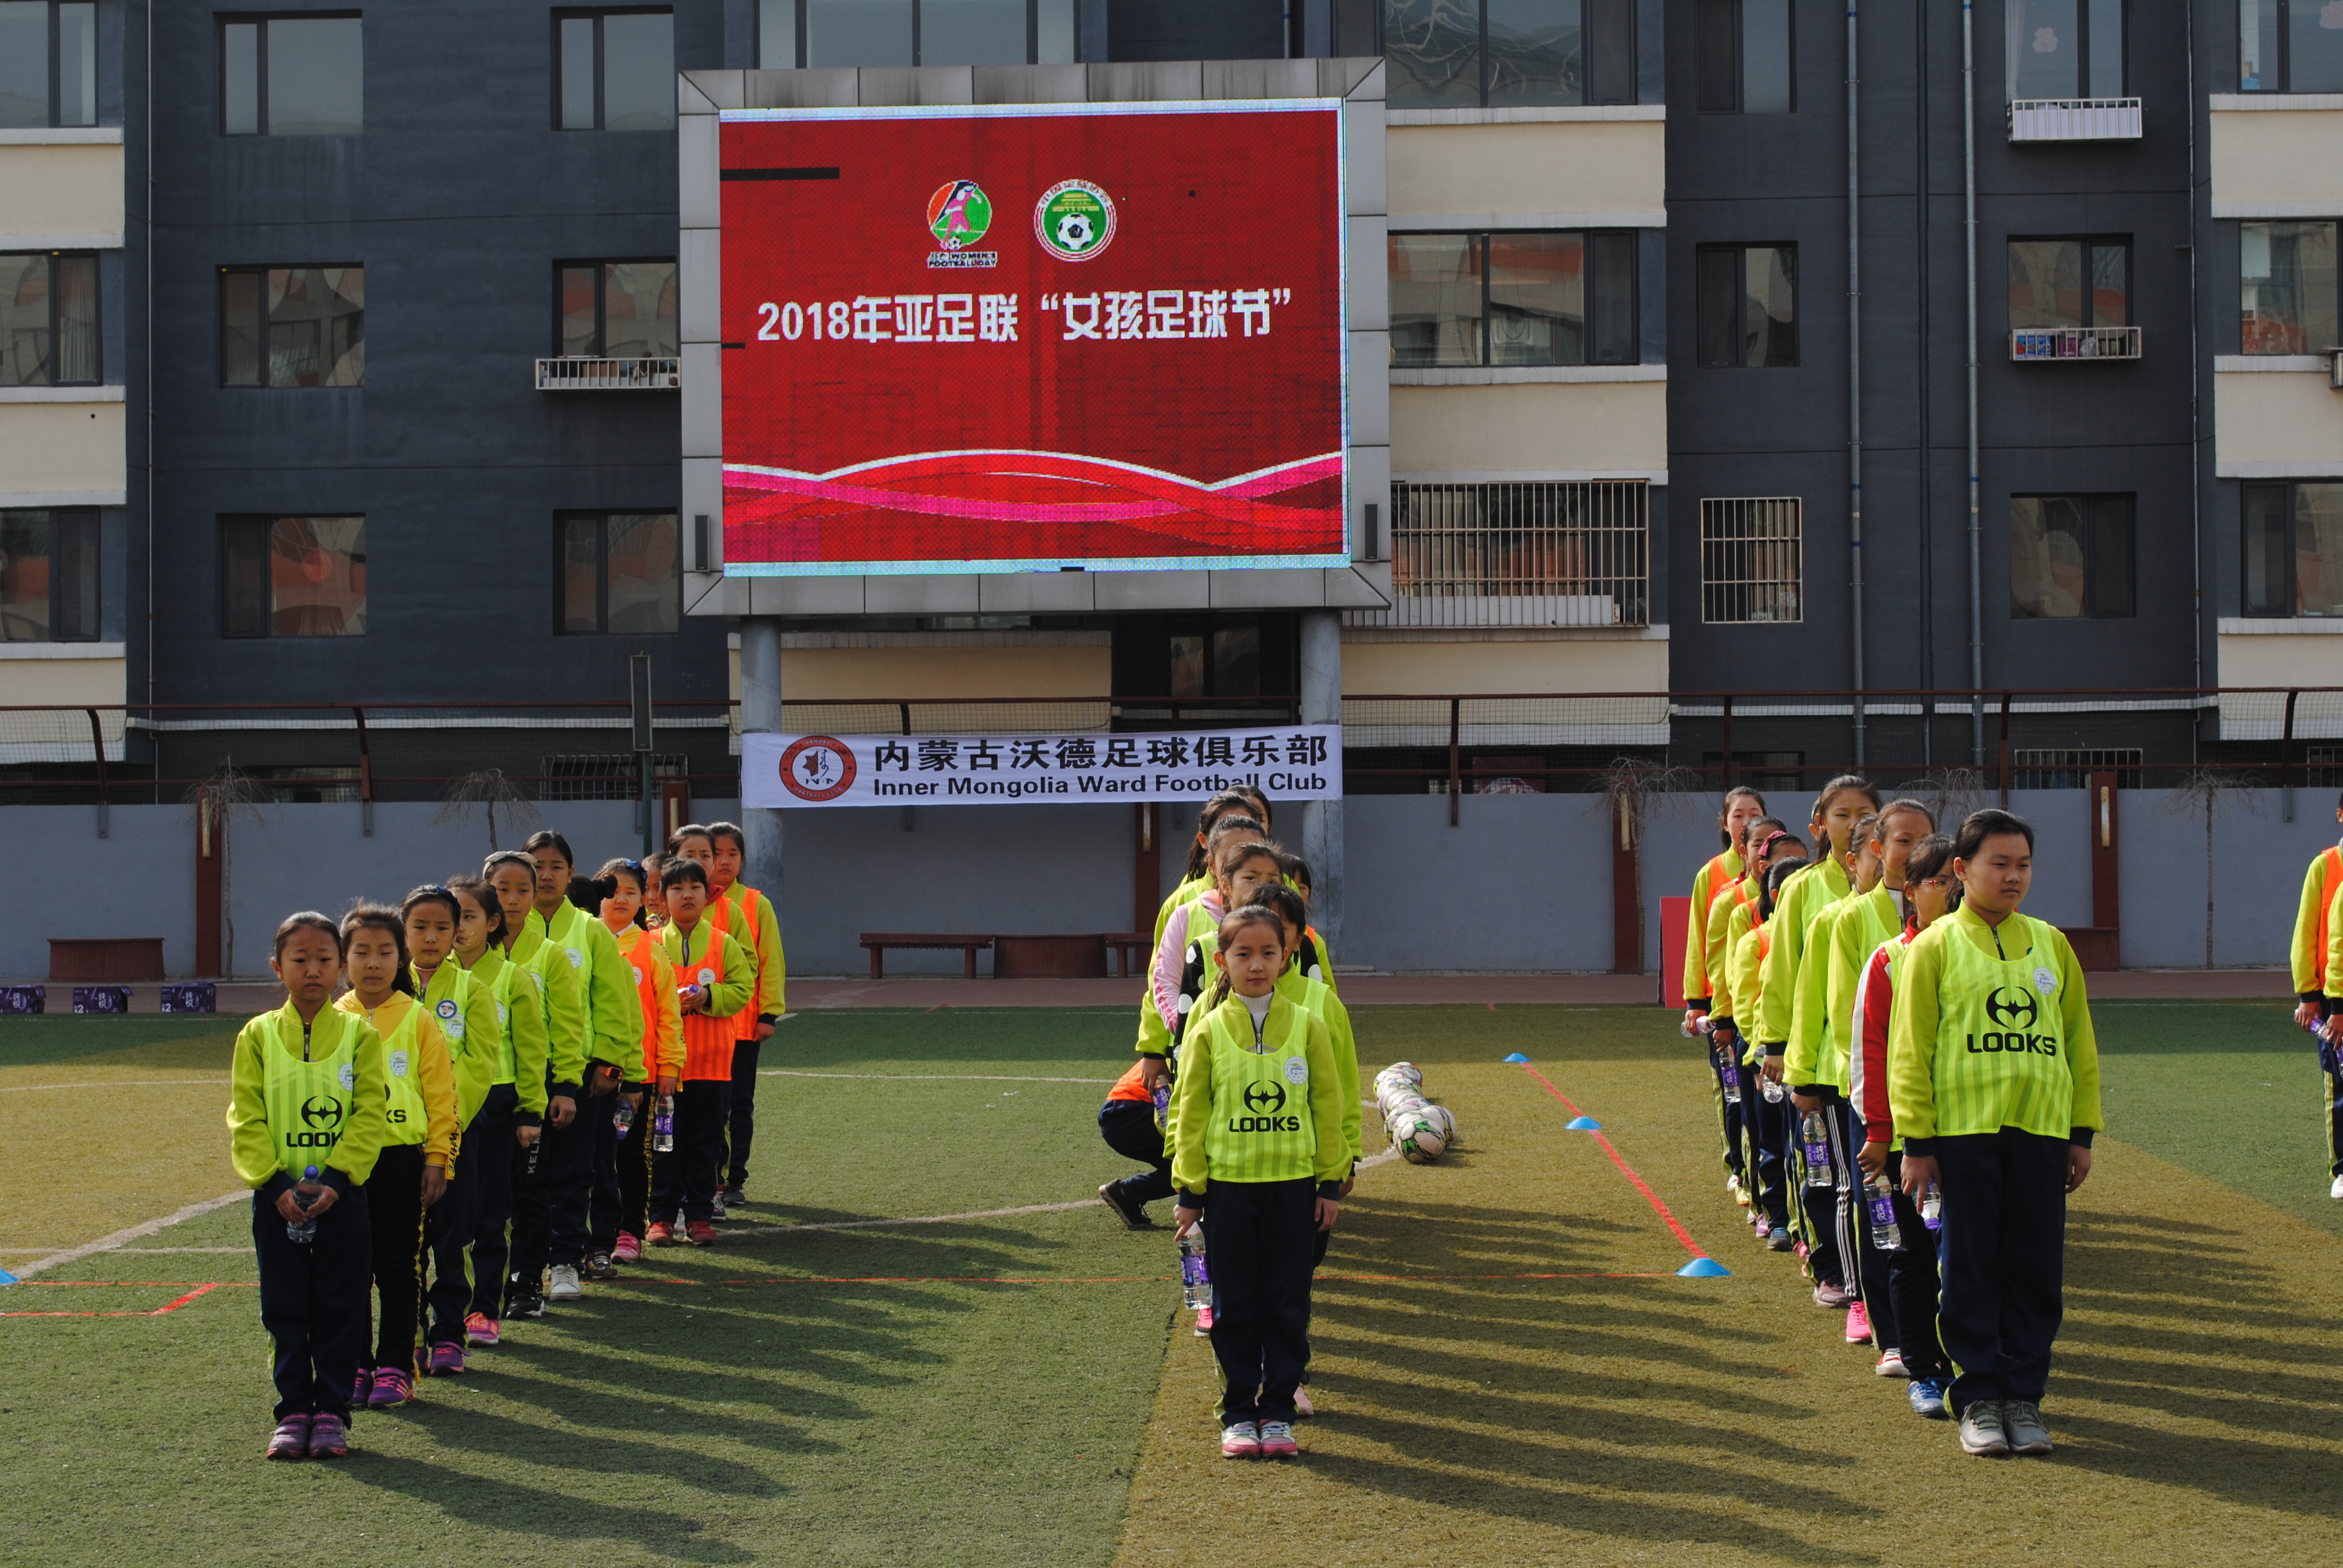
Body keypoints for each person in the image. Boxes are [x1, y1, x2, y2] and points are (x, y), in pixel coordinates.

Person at [1890, 809, 2100, 1459]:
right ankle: (1978, 1397)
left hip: (2038, 1135)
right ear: (1960, 870)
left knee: (2034, 1272)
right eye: (1998, 864)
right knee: (1971, 1271)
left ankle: (2023, 1399)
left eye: (2023, 865)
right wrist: (1917, 1144)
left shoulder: (2051, 944)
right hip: (1961, 1138)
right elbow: (1910, 1050)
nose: (2012, 877)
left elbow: (2077, 1046)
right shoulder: (1933, 947)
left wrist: (2079, 1132)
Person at [1170, 903, 1347, 1460]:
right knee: (1235, 1304)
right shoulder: (1209, 1032)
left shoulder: (1309, 1027)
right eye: (1243, 954)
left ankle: (1278, 1412)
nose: (1256, 965)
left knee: (1288, 1303)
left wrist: (1328, 1183)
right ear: (1222, 960)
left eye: (1268, 952)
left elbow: (1328, 1104)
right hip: (1229, 1192)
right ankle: (1239, 1413)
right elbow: (1192, 1113)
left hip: (1293, 1190)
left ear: (1285, 956)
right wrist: (1189, 1192)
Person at [231, 912, 389, 1460]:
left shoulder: (357, 1034)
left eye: (325, 959)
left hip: (342, 1200)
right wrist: (275, 1183)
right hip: (278, 1202)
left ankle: (332, 1413)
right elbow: (245, 1117)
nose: (313, 970)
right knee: (285, 1307)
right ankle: (294, 1409)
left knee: (340, 1305)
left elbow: (371, 1113)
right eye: (300, 960)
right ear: (278, 968)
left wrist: (340, 1179)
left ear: (341, 967)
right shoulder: (256, 1036)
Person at [1797, 801, 1936, 1352]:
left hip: (1929, 1095)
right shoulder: (1848, 919)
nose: (1912, 852)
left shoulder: (1948, 924)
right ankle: (1872, 1308)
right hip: (1861, 1092)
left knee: (1925, 1215)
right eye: (1902, 841)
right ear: (1878, 849)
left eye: (1923, 841)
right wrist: (1812, 1075)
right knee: (1870, 1202)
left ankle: (1930, 1321)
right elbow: (1833, 1011)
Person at [1851, 831, 1959, 1416]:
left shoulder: (1986, 955)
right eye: (1939, 882)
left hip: (1972, 1132)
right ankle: (1921, 1365)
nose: (1952, 893)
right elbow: (1869, 1051)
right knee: (1911, 1253)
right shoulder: (1889, 959)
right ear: (1910, 890)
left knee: (1968, 1256)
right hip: (1907, 1141)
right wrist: (1878, 1132)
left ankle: (1974, 1363)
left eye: (1957, 880)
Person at [1758, 776, 1882, 1282]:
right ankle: (1832, 1265)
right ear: (1820, 826)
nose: (1854, 823)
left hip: (1885, 1063)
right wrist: (1777, 1045)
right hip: (1827, 1061)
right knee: (1823, 1170)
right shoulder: (1803, 888)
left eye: (1865, 812)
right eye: (1842, 814)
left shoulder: (1907, 892)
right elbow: (1785, 971)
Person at [335, 906, 458, 1410]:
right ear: (345, 959)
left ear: (401, 956)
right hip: (344, 1163)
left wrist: (437, 1159)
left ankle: (396, 1365)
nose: (373, 963)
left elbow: (440, 1094)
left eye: (384, 952)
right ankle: (357, 1364)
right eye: (361, 952)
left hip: (402, 1160)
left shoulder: (417, 1017)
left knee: (400, 1267)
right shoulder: (330, 1019)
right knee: (350, 1268)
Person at [522, 831, 641, 1290]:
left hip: (585, 1072)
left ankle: (574, 1255)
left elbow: (617, 1002)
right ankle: (531, 1261)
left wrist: (611, 1065)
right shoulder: (509, 929)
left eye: (555, 866)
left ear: (572, 874)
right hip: (527, 1070)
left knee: (583, 1166)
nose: (546, 874)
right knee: (530, 1175)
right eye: (536, 865)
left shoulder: (591, 930)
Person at [404, 884, 500, 1376]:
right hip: (396, 1142)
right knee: (403, 1246)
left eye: (444, 926)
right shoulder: (379, 993)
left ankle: (449, 1333)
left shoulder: (471, 991)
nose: (433, 936)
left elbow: (479, 1065)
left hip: (454, 1138)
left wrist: (441, 1121)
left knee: (450, 1239)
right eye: (420, 927)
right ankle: (408, 1334)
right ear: (403, 931)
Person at [450, 867, 548, 1348]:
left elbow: (532, 1050)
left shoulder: (513, 978)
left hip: (497, 1105)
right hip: (439, 1111)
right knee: (449, 1218)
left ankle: (485, 1306)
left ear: (492, 924)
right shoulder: (419, 981)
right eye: (451, 918)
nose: (456, 928)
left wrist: (531, 1112)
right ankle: (442, 1308)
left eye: (468, 916)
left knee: (492, 1212)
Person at [486, 848, 582, 1322]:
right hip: (477, 1092)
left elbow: (567, 1024)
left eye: (522, 889)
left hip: (533, 1088)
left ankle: (527, 1280)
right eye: (502, 890)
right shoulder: (463, 958)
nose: (514, 899)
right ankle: (484, 1286)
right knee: (485, 1195)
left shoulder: (549, 955)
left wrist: (564, 1084)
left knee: (531, 1188)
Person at [1131, 795, 1271, 1095]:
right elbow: (1161, 980)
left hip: (1270, 1043)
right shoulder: (1183, 906)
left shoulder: (1282, 907)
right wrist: (1157, 1047)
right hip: (1196, 1045)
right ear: (1208, 848)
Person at [651, 856, 755, 1245]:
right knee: (664, 1142)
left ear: (707, 896)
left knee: (704, 1142)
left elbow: (743, 990)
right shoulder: (653, 943)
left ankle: (698, 1215)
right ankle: (660, 1216)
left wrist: (708, 996)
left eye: (695, 888)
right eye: (676, 888)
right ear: (662, 898)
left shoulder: (722, 942)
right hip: (664, 1069)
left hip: (712, 1065)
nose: (687, 895)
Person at [1715, 822, 1805, 1247]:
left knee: (1802, 1144)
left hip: (1805, 1056)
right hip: (1764, 1055)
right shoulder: (1753, 934)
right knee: (1766, 1134)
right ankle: (1773, 1211)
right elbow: (1744, 994)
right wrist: (1759, 1048)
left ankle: (1800, 1218)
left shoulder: (1818, 931)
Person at [592, 857, 683, 1262]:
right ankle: (593, 1232)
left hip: (637, 1077)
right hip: (590, 1074)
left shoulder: (650, 948)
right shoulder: (583, 944)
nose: (622, 899)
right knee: (593, 1157)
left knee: (631, 1155)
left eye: (632, 891)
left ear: (645, 898)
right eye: (613, 892)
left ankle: (629, 1229)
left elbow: (667, 1013)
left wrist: (668, 1068)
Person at [706, 822, 784, 1210]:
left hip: (742, 1027)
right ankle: (710, 1179)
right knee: (709, 1107)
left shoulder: (755, 903)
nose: (723, 861)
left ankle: (736, 1178)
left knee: (740, 1104)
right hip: (701, 1027)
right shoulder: (688, 902)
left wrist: (768, 1014)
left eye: (732, 854)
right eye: (715, 854)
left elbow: (770, 962)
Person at [1683, 785, 1768, 1035]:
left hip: (1763, 990)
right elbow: (1698, 937)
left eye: (1755, 815)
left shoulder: (1780, 870)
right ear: (1725, 824)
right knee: (1725, 1071)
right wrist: (1695, 1000)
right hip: (1720, 996)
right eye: (1738, 815)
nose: (1746, 822)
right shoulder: (1711, 873)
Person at [2293, 797, 2343, 1197]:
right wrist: (2309, 995)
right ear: (2341, 814)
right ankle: (2342, 1169)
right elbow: (2306, 934)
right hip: (2332, 999)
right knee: (2338, 1083)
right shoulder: (2325, 866)